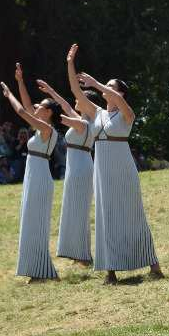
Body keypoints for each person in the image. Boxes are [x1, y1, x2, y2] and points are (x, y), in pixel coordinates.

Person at [67, 44, 163, 284]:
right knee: (105, 216)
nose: (105, 89)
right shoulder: (97, 113)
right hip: (102, 171)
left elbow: (120, 102)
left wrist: (97, 83)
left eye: (111, 87)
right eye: (105, 86)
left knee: (132, 215)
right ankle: (111, 271)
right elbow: (75, 92)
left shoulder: (125, 115)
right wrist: (70, 64)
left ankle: (153, 265)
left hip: (122, 170)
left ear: (120, 93)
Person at [1, 63, 62, 282]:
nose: (35, 108)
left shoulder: (47, 130)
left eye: (40, 107)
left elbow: (20, 110)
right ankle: (39, 272)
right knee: (30, 222)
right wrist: (20, 82)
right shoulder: (41, 128)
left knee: (35, 224)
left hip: (40, 179)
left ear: (47, 112)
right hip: (33, 176)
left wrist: (9, 94)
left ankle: (43, 273)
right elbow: (26, 107)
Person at [38, 79, 97, 265]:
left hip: (81, 168)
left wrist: (50, 113)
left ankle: (84, 255)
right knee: (73, 209)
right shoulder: (82, 121)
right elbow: (63, 105)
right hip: (76, 166)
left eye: (80, 98)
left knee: (79, 210)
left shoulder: (85, 124)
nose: (75, 101)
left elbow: (60, 116)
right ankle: (78, 252)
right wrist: (51, 91)